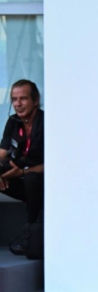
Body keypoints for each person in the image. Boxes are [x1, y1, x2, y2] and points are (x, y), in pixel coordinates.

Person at [0, 79, 44, 255]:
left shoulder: (47, 122)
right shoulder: (13, 122)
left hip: (40, 182)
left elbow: (57, 165)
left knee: (32, 178)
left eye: (23, 98)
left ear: (35, 100)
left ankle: (30, 231)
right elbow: (2, 153)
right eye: (14, 99)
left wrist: (24, 172)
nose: (18, 104)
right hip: (17, 178)